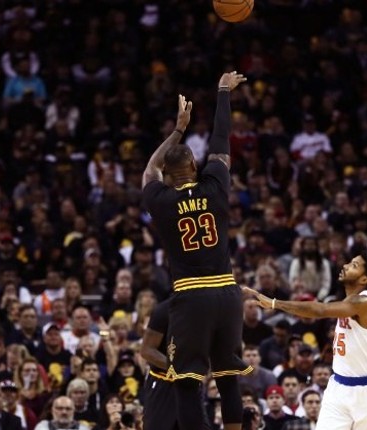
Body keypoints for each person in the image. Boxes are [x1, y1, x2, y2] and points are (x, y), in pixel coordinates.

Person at [141, 71, 250, 430]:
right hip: (227, 291)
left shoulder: (160, 197)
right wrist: (222, 92)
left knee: (187, 381)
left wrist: (177, 129)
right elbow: (221, 141)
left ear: (170, 176)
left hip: (191, 297)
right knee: (229, 375)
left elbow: (149, 170)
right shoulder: (215, 185)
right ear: (193, 166)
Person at [245, 250, 367, 430]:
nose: (346, 266)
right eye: (350, 262)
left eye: (354, 266)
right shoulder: (359, 303)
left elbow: (320, 310)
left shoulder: (363, 303)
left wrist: (275, 304)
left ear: (364, 280)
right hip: (339, 387)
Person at [139, 299, 178, 430]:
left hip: (192, 384)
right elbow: (147, 351)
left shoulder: (205, 309)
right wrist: (177, 367)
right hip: (163, 382)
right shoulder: (164, 310)